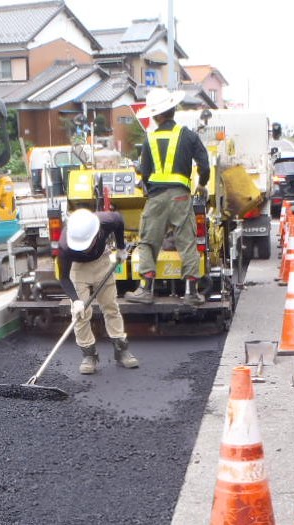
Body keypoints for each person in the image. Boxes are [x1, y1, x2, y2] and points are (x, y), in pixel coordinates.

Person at [124, 87, 210, 306]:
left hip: (157, 198)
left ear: (156, 115)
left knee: (148, 242)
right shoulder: (189, 136)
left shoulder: (149, 140)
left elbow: (143, 172)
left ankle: (146, 290)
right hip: (181, 197)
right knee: (187, 242)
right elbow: (204, 164)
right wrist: (201, 184)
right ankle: (191, 292)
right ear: (173, 110)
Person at [59, 208, 138, 374]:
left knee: (110, 306)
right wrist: (76, 300)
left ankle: (121, 349)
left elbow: (119, 220)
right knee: (80, 314)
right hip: (78, 269)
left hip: (102, 262)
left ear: (97, 234)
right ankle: (89, 354)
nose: (84, 250)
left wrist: (121, 248)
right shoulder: (65, 246)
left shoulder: (106, 221)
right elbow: (64, 278)